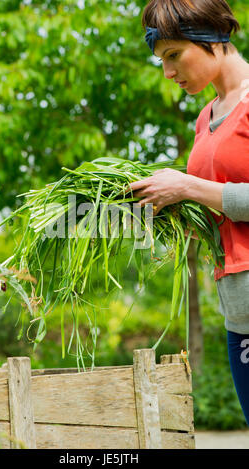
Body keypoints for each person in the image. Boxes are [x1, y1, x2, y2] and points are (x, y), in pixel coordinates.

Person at [129, 0, 249, 426]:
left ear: (213, 37)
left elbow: (202, 190)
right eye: (161, 61)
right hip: (238, 311)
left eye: (174, 55)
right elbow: (215, 212)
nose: (167, 73)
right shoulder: (206, 118)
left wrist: (187, 186)